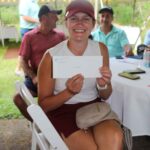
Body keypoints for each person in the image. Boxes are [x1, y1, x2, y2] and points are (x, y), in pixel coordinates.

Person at [38, 1, 123, 150]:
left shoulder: (101, 49)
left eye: (86, 18)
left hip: (94, 108)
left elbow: (105, 95)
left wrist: (103, 84)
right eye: (74, 18)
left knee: (114, 139)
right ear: (66, 23)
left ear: (93, 24)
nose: (80, 23)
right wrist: (69, 92)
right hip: (62, 111)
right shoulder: (51, 56)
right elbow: (44, 105)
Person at [13, 4, 65, 121]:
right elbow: (22, 60)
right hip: (36, 77)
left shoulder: (60, 36)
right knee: (18, 99)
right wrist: (34, 77)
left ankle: (52, 123)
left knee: (54, 101)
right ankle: (40, 123)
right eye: (54, 16)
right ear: (44, 18)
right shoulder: (29, 37)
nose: (57, 18)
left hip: (56, 78)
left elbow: (67, 58)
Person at [15, 0, 40, 76]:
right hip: (27, 29)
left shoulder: (35, 2)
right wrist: (38, 21)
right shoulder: (24, 2)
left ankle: (24, 69)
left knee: (31, 52)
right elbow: (25, 17)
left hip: (34, 28)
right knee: (24, 51)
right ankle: (18, 69)